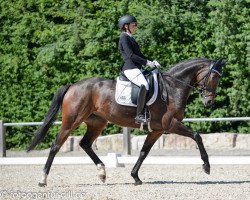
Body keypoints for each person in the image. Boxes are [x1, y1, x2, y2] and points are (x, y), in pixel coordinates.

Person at [118, 15, 160, 124]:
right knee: (144, 85)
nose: (135, 27)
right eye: (134, 25)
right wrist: (147, 63)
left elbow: (140, 55)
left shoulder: (130, 37)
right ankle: (139, 115)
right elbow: (131, 55)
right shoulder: (124, 38)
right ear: (126, 26)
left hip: (137, 68)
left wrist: (152, 61)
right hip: (130, 68)